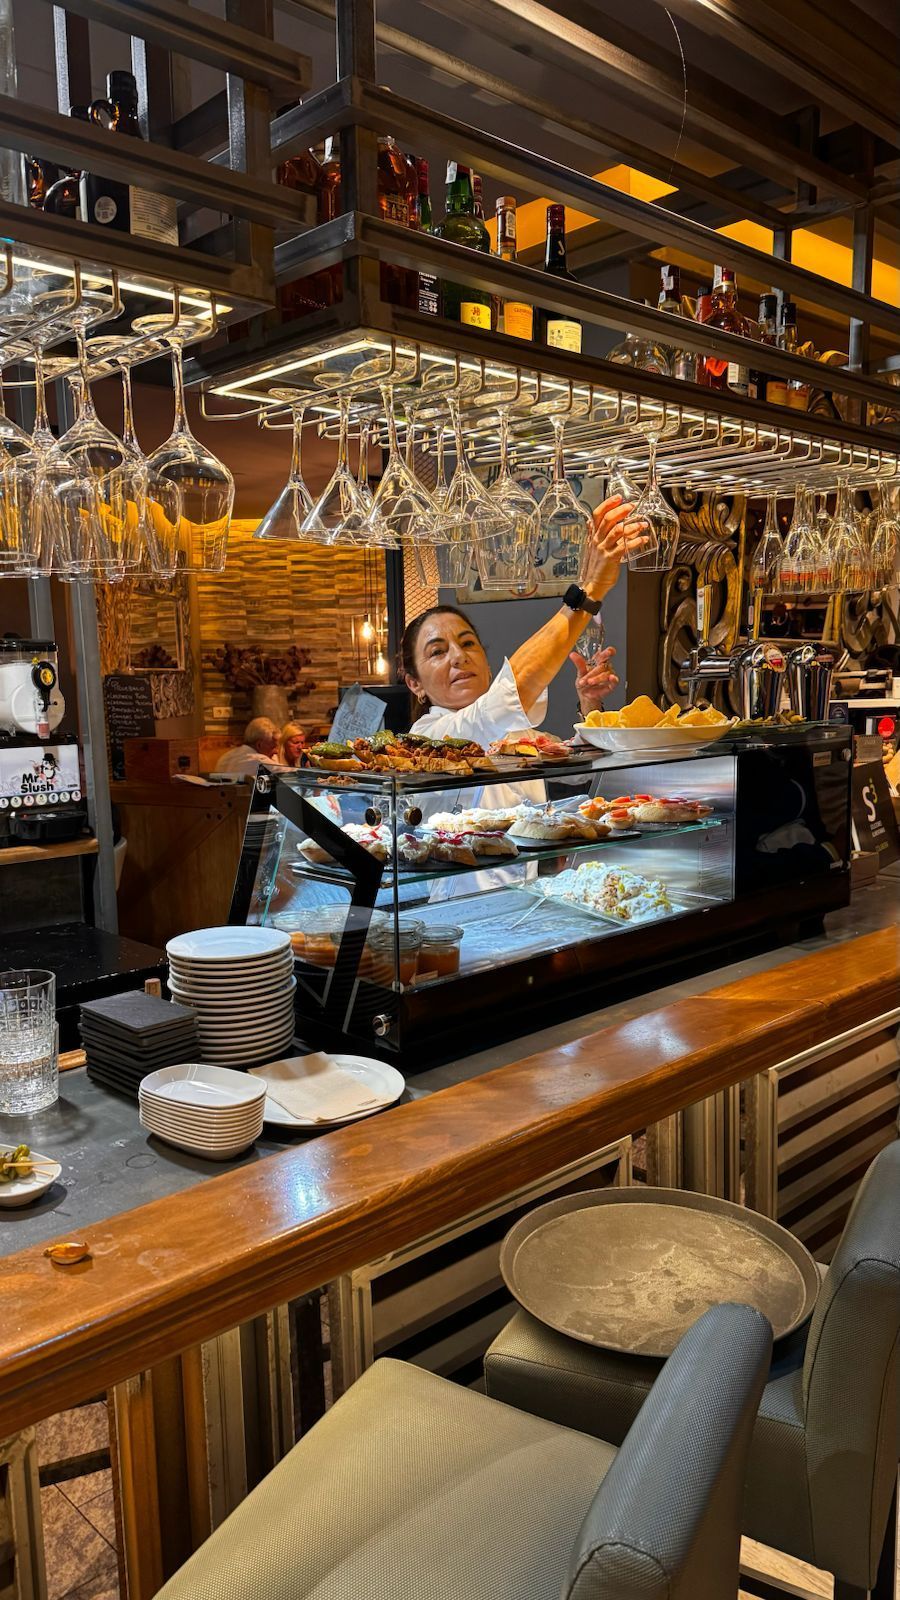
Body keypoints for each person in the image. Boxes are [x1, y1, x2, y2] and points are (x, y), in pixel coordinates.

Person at [400, 495, 643, 742]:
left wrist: (590, 705)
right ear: (414, 683)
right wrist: (591, 589)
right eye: (437, 652)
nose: (459, 656)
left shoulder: (519, 733)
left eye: (468, 644)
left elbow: (578, 770)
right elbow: (502, 702)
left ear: (488, 664)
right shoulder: (427, 737)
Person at [214, 717, 281, 777]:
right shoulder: (256, 759)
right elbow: (289, 778)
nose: (276, 752)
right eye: (273, 747)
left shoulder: (225, 757)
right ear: (259, 745)